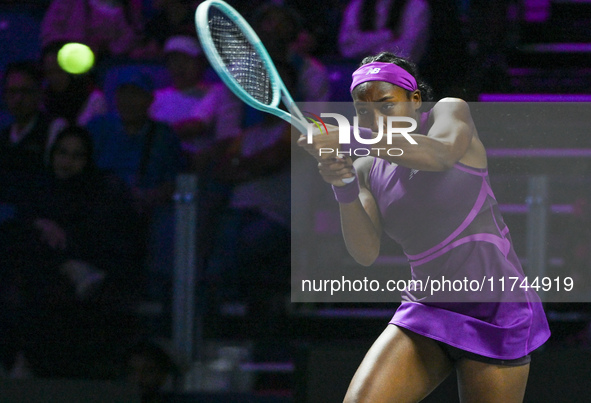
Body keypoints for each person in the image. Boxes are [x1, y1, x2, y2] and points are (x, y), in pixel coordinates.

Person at [298, 52, 551, 402]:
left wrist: (347, 135)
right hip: (428, 308)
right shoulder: (365, 168)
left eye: (386, 105)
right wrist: (343, 187)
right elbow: (366, 252)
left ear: (415, 100)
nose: (375, 118)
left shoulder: (449, 112)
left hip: (494, 307)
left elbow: (441, 154)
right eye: (363, 111)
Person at [0, 126, 144, 378]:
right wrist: (38, 223)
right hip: (41, 275)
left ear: (87, 160)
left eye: (77, 156)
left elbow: (109, 242)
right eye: (63, 153)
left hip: (88, 272)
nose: (67, 162)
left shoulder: (100, 193)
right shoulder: (38, 188)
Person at [0, 61, 62, 174]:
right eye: (12, 92)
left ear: (40, 93)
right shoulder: (4, 135)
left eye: (25, 91)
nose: (18, 99)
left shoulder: (54, 128)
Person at [338, 0, 431, 64]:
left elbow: (404, 54)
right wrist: (387, 36)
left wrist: (364, 45)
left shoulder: (415, 6)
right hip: (358, 79)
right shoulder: (358, 5)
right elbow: (347, 49)